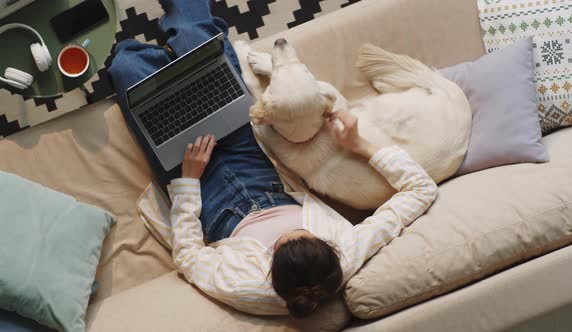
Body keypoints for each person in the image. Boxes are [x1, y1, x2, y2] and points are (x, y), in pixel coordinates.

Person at [109, 0, 438, 318]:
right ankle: (182, 53)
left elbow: (189, 258)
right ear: (329, 248)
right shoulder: (347, 252)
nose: (291, 232)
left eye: (280, 242)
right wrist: (360, 144)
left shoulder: (250, 288)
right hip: (258, 168)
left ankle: (167, 61)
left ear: (272, 274)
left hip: (207, 197)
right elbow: (421, 190)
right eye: (305, 233)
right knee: (196, 40)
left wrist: (190, 182)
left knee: (125, 66)